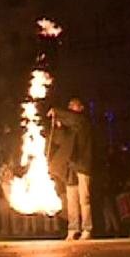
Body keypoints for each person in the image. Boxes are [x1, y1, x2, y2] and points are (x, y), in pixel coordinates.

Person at [51, 98, 94, 240]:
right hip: (70, 166)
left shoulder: (83, 121)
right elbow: (59, 140)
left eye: (73, 105)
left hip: (82, 165)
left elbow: (73, 119)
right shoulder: (69, 125)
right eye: (69, 105)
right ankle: (73, 228)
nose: (70, 107)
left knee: (84, 199)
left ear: (81, 108)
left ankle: (87, 229)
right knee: (71, 200)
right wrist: (59, 126)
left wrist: (57, 112)